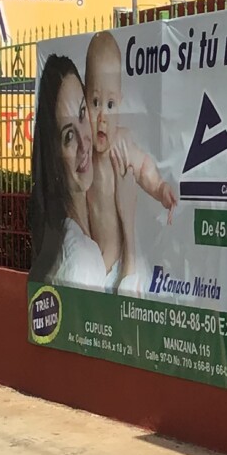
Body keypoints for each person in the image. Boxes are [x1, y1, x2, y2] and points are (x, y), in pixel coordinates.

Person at [84, 30, 178, 287]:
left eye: (110, 104)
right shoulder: (83, 152)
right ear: (84, 101)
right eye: (95, 102)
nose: (103, 115)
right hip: (95, 261)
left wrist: (160, 188)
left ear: (121, 104)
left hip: (122, 260)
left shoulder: (121, 142)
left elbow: (144, 165)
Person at [28, 55, 107, 288]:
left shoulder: (63, 236)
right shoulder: (81, 258)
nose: (84, 144)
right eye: (68, 136)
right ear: (54, 155)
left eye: (82, 114)